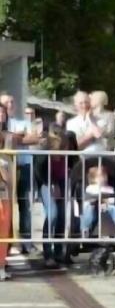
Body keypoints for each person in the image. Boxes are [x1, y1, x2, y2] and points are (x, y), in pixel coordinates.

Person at [34, 124, 78, 268]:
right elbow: (39, 170)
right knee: (52, 214)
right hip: (46, 181)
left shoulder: (69, 144)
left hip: (63, 180)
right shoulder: (45, 149)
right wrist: (51, 184)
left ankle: (59, 252)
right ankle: (48, 253)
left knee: (62, 216)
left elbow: (74, 162)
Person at [2, 93, 41, 254]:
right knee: (6, 207)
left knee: (25, 205)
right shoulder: (3, 124)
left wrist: (14, 138)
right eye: (6, 103)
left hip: (23, 165)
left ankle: (27, 242)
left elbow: (35, 138)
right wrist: (19, 136)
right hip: (6, 169)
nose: (10, 105)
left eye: (12, 101)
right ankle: (8, 244)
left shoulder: (22, 122)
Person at [0, 129, 13, 280]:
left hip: (3, 198)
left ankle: (1, 267)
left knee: (3, 235)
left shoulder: (4, 159)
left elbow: (8, 181)